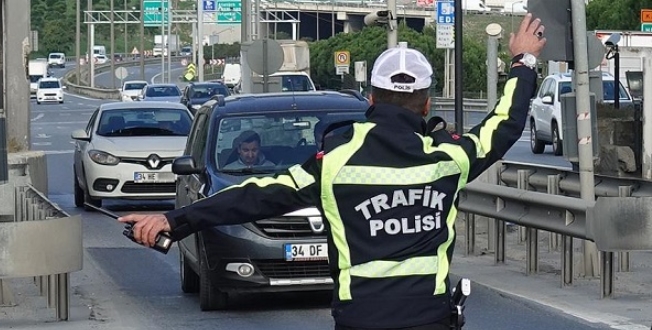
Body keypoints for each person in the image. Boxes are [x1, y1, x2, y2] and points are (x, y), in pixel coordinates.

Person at [118, 14, 546, 330]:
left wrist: (174, 219)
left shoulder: (335, 161)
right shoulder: (449, 159)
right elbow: (503, 125)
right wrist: (522, 61)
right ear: (427, 103)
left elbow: (256, 194)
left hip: (359, 320)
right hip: (429, 319)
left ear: (371, 98)